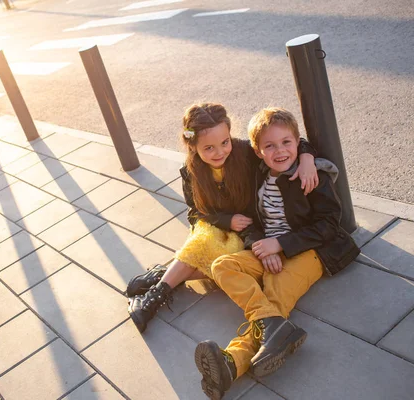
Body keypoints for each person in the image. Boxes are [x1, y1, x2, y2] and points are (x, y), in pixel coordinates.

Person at [194, 107, 360, 400]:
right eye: (269, 146)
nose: (279, 150)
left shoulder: (311, 176)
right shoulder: (257, 174)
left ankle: (232, 363)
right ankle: (273, 326)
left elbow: (328, 226)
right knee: (222, 266)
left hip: (311, 251)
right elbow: (251, 218)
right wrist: (261, 243)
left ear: (297, 144)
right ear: (258, 152)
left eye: (286, 143)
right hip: (270, 247)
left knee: (274, 290)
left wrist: (281, 245)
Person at [126, 103, 319, 333]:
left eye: (224, 142)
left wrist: (307, 158)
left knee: (226, 263)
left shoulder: (245, 152)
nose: (219, 152)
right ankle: (153, 298)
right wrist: (226, 221)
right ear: (193, 146)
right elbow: (195, 212)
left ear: (230, 136)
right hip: (212, 225)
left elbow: (287, 140)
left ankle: (166, 276)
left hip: (246, 230)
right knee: (205, 241)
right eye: (208, 148)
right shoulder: (191, 171)